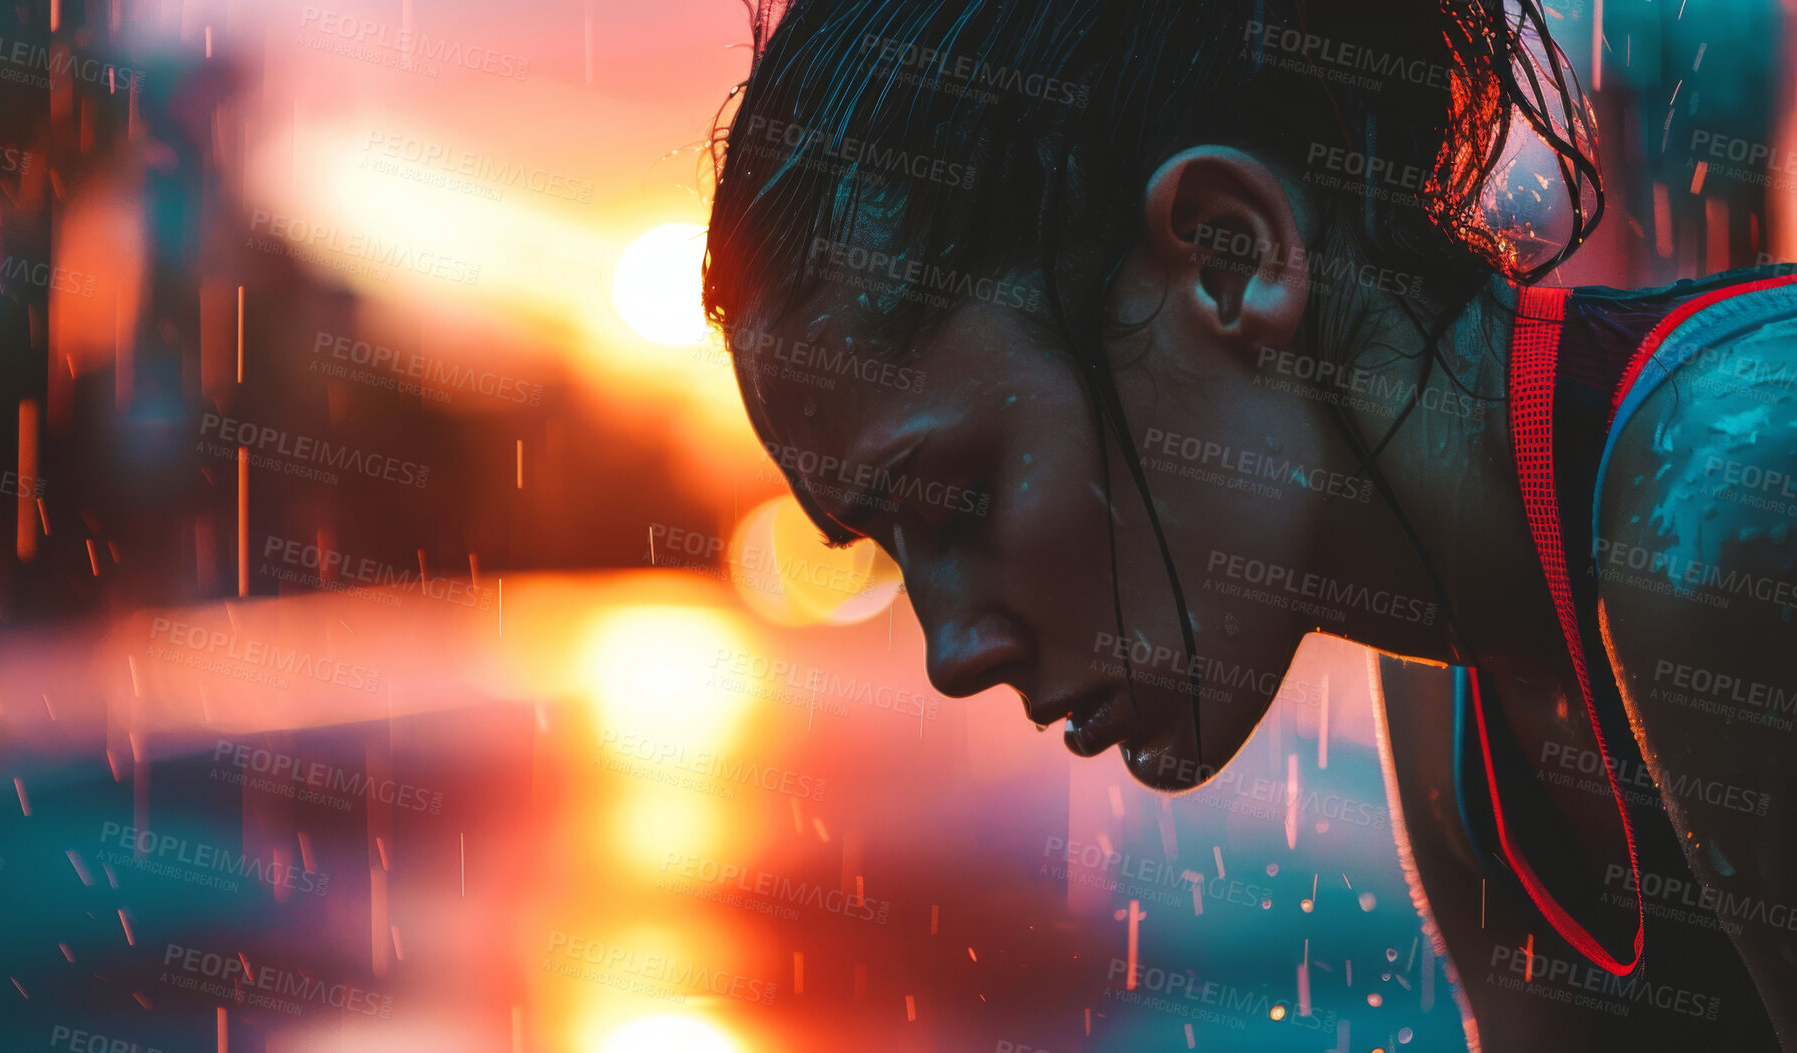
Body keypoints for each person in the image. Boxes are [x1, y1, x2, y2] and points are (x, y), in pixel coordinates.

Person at [702, 1, 1797, 1047]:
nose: (954, 655)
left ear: (1231, 256)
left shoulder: (1726, 508)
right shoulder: (1452, 686)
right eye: (890, 549)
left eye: (957, 498)